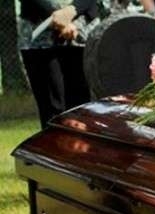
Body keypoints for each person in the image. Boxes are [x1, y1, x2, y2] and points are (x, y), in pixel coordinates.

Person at [18, 0, 99, 128]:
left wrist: (72, 10)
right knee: (53, 112)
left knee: (85, 111)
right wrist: (60, 19)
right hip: (41, 36)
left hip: (83, 34)